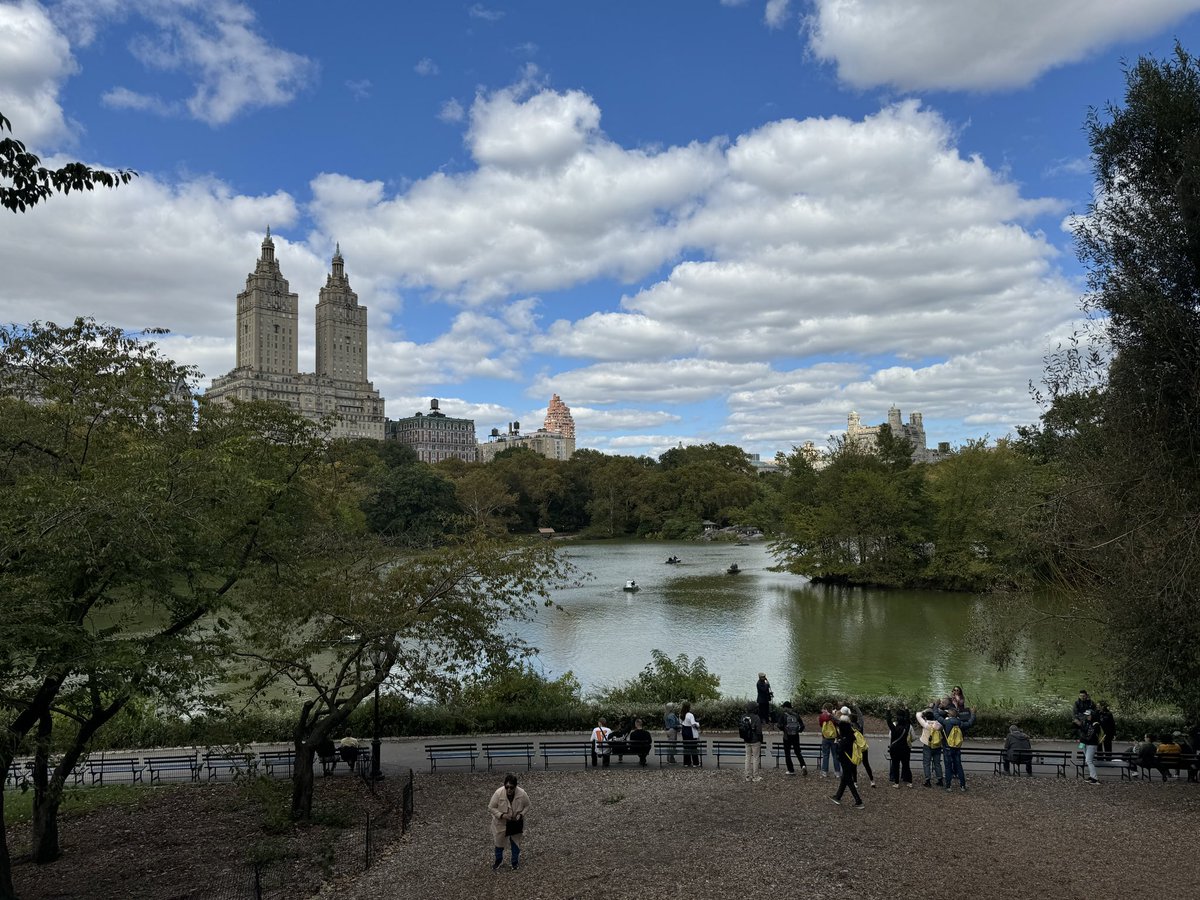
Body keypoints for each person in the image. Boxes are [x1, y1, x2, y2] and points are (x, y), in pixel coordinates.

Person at [487, 773, 530, 871]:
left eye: (511, 787)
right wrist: (502, 815)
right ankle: (498, 861)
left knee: (515, 843)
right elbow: (491, 807)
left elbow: (527, 805)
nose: (509, 790)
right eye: (507, 787)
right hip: (501, 823)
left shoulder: (522, 794)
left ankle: (515, 862)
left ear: (515, 787)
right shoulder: (498, 793)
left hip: (516, 822)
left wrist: (521, 815)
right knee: (499, 844)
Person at [935, 704, 975, 791]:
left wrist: (936, 705)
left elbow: (936, 715)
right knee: (959, 766)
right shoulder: (960, 723)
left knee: (948, 767)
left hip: (947, 748)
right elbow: (970, 722)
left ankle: (949, 786)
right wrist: (972, 713)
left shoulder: (946, 722)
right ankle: (963, 786)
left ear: (949, 715)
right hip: (957, 748)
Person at [830, 712, 864, 808]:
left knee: (848, 780)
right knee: (844, 779)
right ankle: (838, 797)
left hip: (846, 761)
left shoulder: (844, 740)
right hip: (851, 761)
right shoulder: (851, 736)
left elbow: (839, 753)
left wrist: (838, 744)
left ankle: (859, 801)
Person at [916, 702, 945, 788]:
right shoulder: (939, 724)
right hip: (937, 745)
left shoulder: (925, 724)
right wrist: (935, 709)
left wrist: (926, 709)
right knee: (937, 763)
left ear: (925, 717)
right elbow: (942, 713)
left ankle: (928, 780)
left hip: (927, 746)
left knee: (926, 763)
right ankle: (940, 779)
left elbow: (918, 714)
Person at [777, 701, 808, 776]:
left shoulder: (783, 715)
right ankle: (803, 765)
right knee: (797, 752)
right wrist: (798, 731)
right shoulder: (796, 715)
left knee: (787, 753)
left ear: (786, 707)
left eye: (784, 707)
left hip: (787, 737)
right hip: (795, 736)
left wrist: (784, 729)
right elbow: (802, 726)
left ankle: (791, 770)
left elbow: (779, 725)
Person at [887, 706, 913, 787]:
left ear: (897, 719)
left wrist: (888, 710)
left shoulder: (894, 729)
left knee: (895, 765)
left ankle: (896, 783)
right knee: (906, 766)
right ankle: (910, 782)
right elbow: (908, 720)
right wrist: (907, 709)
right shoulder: (906, 728)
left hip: (895, 749)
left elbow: (888, 721)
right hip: (905, 749)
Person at [740, 702, 764, 782]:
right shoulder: (756, 717)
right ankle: (755, 776)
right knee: (756, 758)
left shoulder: (743, 716)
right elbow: (759, 731)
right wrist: (761, 739)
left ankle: (747, 776)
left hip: (746, 739)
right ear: (754, 709)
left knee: (747, 757)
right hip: (755, 740)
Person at [1079, 708, 1102, 784]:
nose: (1087, 717)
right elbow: (1083, 731)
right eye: (1086, 715)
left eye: (1089, 715)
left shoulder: (1096, 724)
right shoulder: (1087, 722)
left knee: (1088, 761)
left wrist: (1083, 739)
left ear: (1092, 716)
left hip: (1092, 744)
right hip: (1085, 743)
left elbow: (1090, 735)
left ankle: (1094, 778)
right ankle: (1092, 776)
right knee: (1088, 761)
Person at [818, 704, 841, 778]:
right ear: (830, 709)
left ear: (825, 708)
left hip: (825, 738)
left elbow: (821, 725)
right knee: (835, 756)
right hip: (834, 738)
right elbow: (838, 723)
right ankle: (837, 772)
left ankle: (824, 771)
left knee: (825, 755)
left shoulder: (821, 717)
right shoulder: (833, 717)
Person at [680, 701, 700, 768]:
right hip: (691, 732)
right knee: (693, 747)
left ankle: (686, 762)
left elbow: (681, 723)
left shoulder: (681, 714)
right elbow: (693, 724)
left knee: (686, 747)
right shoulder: (690, 715)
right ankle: (695, 763)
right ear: (689, 707)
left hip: (684, 731)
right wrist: (698, 724)